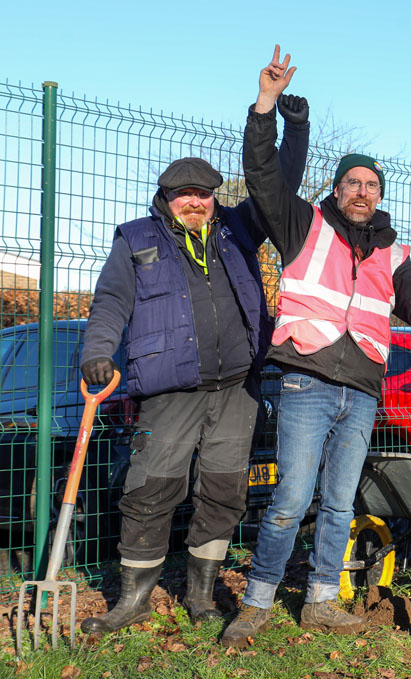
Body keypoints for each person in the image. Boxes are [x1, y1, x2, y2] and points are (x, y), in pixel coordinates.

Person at [220, 47, 411, 647]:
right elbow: (262, 175)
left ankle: (322, 600)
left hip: (361, 387)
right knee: (290, 497)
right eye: (353, 182)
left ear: (380, 194)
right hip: (306, 375)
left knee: (337, 502)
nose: (362, 190)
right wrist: (267, 107)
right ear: (337, 187)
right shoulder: (303, 223)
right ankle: (257, 600)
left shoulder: (390, 249)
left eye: (371, 184)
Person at [77, 95, 311, 634]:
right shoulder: (137, 238)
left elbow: (281, 182)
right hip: (169, 390)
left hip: (236, 389)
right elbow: (111, 301)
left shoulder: (238, 229)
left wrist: (291, 126)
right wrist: (97, 352)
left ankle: (201, 594)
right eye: (184, 195)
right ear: (166, 198)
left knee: (224, 490)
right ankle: (133, 596)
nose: (195, 203)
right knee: (150, 489)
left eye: (203, 194)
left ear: (213, 198)